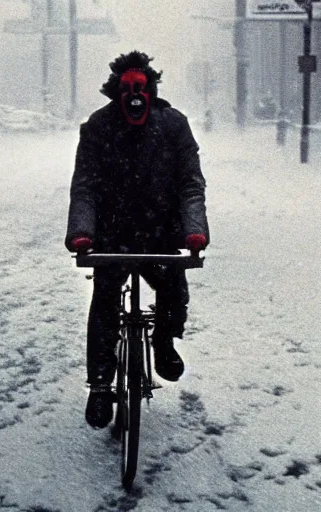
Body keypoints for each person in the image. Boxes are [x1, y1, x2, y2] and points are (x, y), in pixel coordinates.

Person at [65, 51, 209, 429]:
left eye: (140, 88)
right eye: (127, 89)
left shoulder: (174, 126)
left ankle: (163, 342)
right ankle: (100, 385)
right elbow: (85, 186)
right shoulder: (98, 127)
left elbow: (190, 183)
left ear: (151, 90)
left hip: (160, 231)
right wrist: (82, 232)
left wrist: (195, 229)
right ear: (116, 92)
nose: (134, 97)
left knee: (173, 289)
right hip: (112, 234)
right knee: (105, 301)